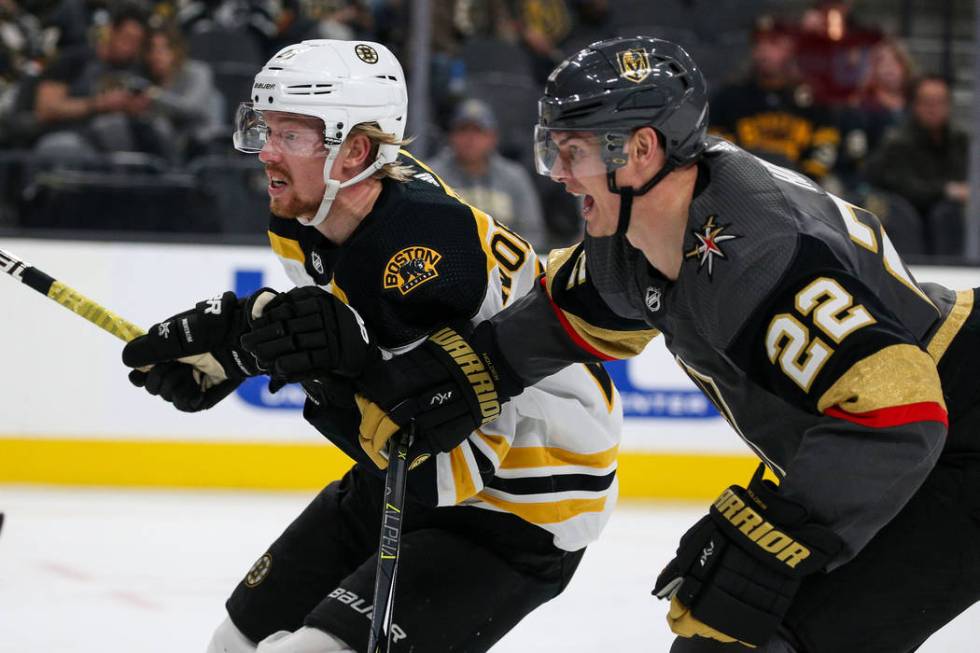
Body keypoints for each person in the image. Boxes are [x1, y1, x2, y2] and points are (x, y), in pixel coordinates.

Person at [344, 36, 980, 652]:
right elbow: (570, 312)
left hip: (958, 434)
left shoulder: (758, 257)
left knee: (758, 637)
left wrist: (772, 536)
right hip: (920, 430)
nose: (560, 176)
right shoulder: (646, 226)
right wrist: (466, 372)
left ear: (641, 149)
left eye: (573, 152)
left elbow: (899, 417)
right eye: (552, 151)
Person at [118, 39, 621, 653]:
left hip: (521, 510)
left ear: (356, 150)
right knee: (234, 645)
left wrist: (324, 372)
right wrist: (247, 348)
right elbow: (352, 346)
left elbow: (447, 475)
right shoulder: (307, 214)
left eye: (293, 136)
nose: (267, 154)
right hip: (404, 466)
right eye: (264, 128)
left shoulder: (426, 259)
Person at [709, 15, 840, 183]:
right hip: (742, 185)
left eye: (773, 44)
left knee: (834, 187)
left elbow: (825, 142)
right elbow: (717, 144)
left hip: (803, 187)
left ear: (791, 48)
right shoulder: (730, 96)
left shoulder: (814, 99)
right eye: (758, 43)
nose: (764, 51)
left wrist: (808, 180)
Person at [33, 4, 162, 156]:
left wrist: (136, 107)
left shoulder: (137, 70)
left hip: (119, 142)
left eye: (137, 42)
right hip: (72, 137)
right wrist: (98, 104)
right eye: (127, 38)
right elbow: (46, 109)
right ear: (111, 31)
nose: (129, 47)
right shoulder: (74, 60)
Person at [865, 74, 969, 257]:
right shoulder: (897, 142)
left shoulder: (959, 140)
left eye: (940, 102)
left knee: (947, 213)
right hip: (905, 216)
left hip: (945, 217)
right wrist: (946, 190)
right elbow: (905, 187)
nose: (933, 109)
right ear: (915, 105)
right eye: (927, 102)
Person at [429, 97, 548, 250]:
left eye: (478, 131)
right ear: (451, 136)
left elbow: (533, 233)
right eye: (463, 130)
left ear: (493, 137)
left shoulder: (515, 177)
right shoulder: (432, 174)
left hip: (504, 267)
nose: (470, 139)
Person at [143, 23, 224, 161]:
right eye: (152, 50)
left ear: (176, 50)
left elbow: (191, 108)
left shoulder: (199, 72)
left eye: (163, 49)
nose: (157, 56)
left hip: (203, 144)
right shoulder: (150, 79)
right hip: (168, 145)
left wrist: (154, 96)